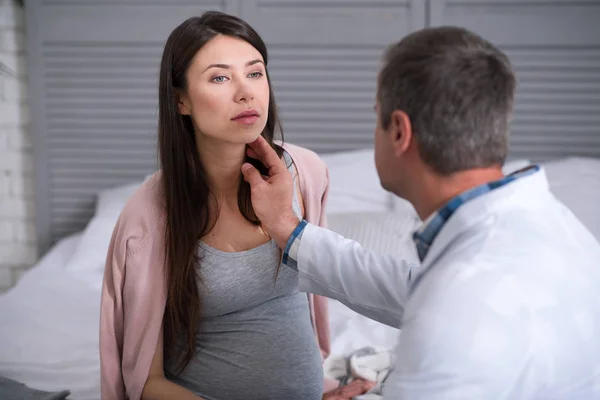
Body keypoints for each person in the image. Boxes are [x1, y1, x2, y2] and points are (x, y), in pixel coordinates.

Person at [241, 26, 600, 399]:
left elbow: (444, 298)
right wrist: (288, 229)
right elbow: (414, 287)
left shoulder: (461, 297)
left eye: (376, 116)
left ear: (399, 131)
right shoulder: (557, 229)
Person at [99, 11, 373, 400]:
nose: (245, 92)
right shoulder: (149, 217)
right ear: (181, 101)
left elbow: (314, 299)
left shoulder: (307, 172)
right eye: (220, 77)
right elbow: (145, 380)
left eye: (255, 72)